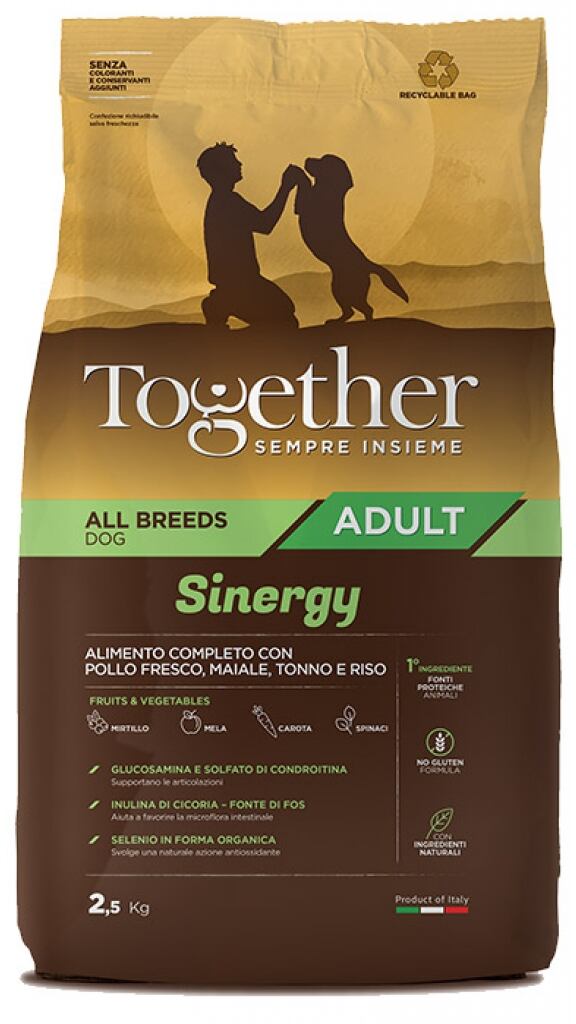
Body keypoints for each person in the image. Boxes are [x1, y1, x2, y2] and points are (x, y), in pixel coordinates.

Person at [197, 143, 300, 328]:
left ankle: (220, 303)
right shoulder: (228, 202)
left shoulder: (221, 201)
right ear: (222, 170)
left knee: (284, 313)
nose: (239, 164)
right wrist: (285, 188)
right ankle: (222, 305)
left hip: (237, 283)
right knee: (286, 319)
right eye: (233, 161)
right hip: (243, 285)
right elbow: (265, 224)